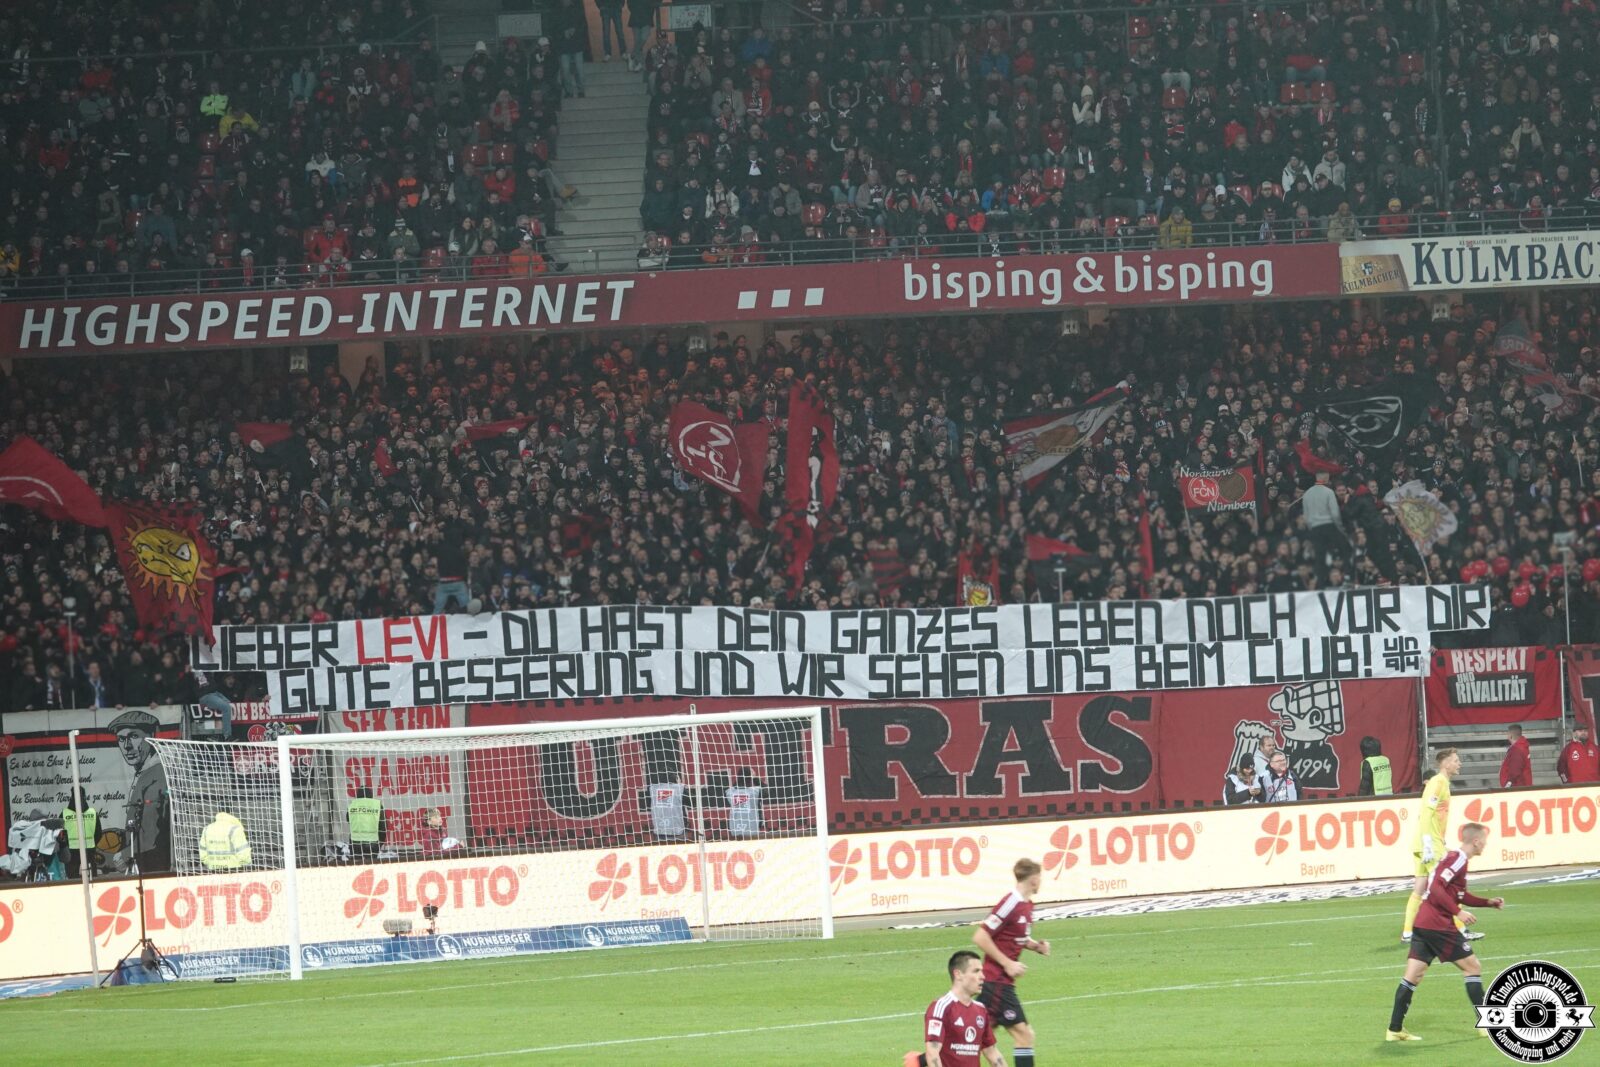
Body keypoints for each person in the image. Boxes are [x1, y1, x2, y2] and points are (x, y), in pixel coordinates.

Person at [1384, 822, 1504, 1042]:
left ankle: (1394, 1030)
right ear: (1476, 841)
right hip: (1438, 925)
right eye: (1484, 841)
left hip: (1423, 922)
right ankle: (1486, 1025)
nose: (1485, 845)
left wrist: (1488, 902)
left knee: (1412, 977)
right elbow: (1437, 887)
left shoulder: (1457, 860)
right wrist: (1457, 912)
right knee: (1473, 967)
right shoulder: (1457, 859)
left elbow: (1460, 895)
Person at [972, 858, 1049, 1067]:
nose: (1041, 881)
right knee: (1024, 1035)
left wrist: (1036, 947)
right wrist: (1007, 963)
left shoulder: (1026, 906)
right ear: (1034, 879)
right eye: (1040, 877)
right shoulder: (1010, 903)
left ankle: (922, 1061)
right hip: (997, 981)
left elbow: (1016, 937)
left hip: (998, 982)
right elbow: (980, 936)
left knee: (974, 1039)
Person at [1404, 748, 1477, 943]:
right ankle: (1460, 929)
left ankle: (1408, 932)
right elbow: (1426, 813)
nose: (1459, 763)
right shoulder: (1438, 782)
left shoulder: (1441, 783)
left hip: (1424, 841)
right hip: (1429, 843)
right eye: (1456, 760)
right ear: (1445, 763)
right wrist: (1428, 842)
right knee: (1449, 884)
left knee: (1420, 887)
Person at [904, 950, 1007, 1067]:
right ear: (958, 974)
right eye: (976, 971)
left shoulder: (981, 1010)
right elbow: (933, 1054)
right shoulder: (941, 1007)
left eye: (981, 971)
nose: (982, 976)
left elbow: (992, 1053)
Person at [111, 709, 170, 874]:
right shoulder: (145, 773)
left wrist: (124, 855)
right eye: (121, 739)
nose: (127, 746)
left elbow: (152, 833)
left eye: (134, 736)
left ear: (151, 737)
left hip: (152, 862)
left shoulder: (156, 776)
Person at [1302, 471, 1349, 583]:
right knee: (1346, 548)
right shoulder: (1329, 492)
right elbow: (1335, 514)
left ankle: (1321, 583)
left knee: (1320, 556)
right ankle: (1348, 577)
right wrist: (1341, 529)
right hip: (1329, 525)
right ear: (1325, 478)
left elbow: (1306, 516)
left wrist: (1312, 529)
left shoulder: (1307, 494)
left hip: (1315, 528)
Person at [62, 787, 98, 879]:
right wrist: (92, 843)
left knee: (73, 881)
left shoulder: (64, 814)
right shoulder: (93, 813)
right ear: (84, 796)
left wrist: (66, 845)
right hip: (89, 849)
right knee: (92, 879)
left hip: (71, 851)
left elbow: (60, 834)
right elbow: (98, 833)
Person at [348, 786, 385, 862]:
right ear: (371, 794)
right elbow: (382, 826)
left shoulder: (352, 804)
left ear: (357, 795)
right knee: (371, 865)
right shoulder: (377, 805)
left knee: (356, 865)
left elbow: (348, 819)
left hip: (355, 842)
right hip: (372, 843)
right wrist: (380, 843)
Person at [726, 770, 762, 837]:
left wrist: (740, 777)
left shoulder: (729, 792)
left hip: (735, 830)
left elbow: (734, 787)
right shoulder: (755, 792)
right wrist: (755, 778)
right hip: (752, 829)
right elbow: (768, 790)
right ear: (750, 779)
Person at [1498, 724, 1532, 788]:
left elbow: (1515, 772)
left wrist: (1508, 786)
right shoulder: (1521, 746)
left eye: (1508, 734)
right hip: (1521, 786)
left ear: (1510, 736)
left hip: (1517, 788)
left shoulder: (1517, 750)